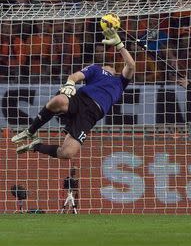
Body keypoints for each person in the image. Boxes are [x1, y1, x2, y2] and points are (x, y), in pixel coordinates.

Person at [12, 26, 135, 159]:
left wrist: (119, 45)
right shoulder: (96, 69)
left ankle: (36, 146)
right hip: (82, 99)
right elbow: (75, 76)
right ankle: (30, 131)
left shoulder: (120, 82)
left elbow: (131, 65)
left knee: (67, 154)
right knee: (58, 101)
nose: (109, 66)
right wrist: (70, 84)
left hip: (91, 115)